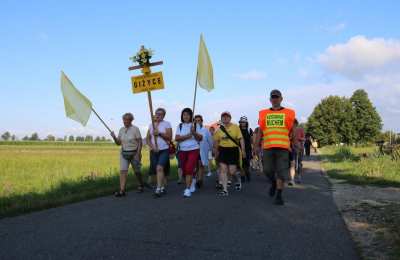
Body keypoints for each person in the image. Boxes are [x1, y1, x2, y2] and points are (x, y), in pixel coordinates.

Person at [255, 89, 295, 205]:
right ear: (270, 99)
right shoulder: (263, 113)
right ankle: (273, 182)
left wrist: (294, 143)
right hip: (268, 147)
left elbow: (292, 130)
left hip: (283, 148)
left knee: (281, 173)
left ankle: (279, 195)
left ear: (281, 99)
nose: (275, 99)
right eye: (273, 97)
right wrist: (256, 145)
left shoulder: (289, 112)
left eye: (277, 97)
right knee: (267, 170)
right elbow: (260, 131)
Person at [111, 113, 144, 196]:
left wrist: (138, 153)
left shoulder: (135, 129)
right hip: (124, 153)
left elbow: (140, 142)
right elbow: (118, 143)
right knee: (123, 171)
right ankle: (122, 190)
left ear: (131, 120)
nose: (125, 121)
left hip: (134, 153)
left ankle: (140, 184)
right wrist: (114, 137)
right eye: (124, 120)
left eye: (127, 120)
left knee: (137, 171)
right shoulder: (121, 129)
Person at [213, 111, 246, 196]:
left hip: (233, 150)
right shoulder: (218, 129)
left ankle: (237, 180)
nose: (225, 118)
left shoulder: (235, 127)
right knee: (223, 170)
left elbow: (241, 139)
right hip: (223, 150)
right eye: (223, 117)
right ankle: (225, 190)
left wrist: (243, 150)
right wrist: (216, 151)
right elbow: (216, 141)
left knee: (232, 171)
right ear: (221, 118)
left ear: (230, 118)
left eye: (227, 116)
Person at [175, 108, 203, 198]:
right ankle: (193, 180)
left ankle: (187, 189)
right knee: (183, 169)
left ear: (191, 115)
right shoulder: (180, 126)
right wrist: (187, 136)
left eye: (187, 114)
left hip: (194, 149)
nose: (185, 116)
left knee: (189, 168)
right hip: (182, 150)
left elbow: (200, 138)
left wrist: (194, 132)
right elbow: (177, 138)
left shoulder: (195, 125)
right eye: (184, 114)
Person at [146, 108, 173, 198]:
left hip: (164, 150)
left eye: (160, 114)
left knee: (159, 168)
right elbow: (148, 139)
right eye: (157, 113)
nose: (158, 115)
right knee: (157, 169)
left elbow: (169, 137)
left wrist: (160, 133)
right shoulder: (151, 125)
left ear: (164, 115)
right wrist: (153, 147)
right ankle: (162, 187)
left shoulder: (167, 124)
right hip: (154, 151)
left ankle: (158, 189)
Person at [194, 115, 213, 188]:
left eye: (199, 120)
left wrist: (211, 148)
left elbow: (210, 140)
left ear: (202, 121)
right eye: (196, 121)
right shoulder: (193, 130)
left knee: (200, 164)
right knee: (196, 166)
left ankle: (200, 180)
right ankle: (197, 178)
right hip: (194, 150)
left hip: (203, 149)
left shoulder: (205, 130)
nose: (197, 122)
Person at [288, 119, 305, 186]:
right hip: (292, 149)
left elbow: (304, 138)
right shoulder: (290, 130)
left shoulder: (301, 129)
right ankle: (292, 180)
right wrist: (290, 138)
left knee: (299, 163)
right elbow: (288, 138)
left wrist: (299, 138)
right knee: (292, 164)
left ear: (295, 123)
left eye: (291, 123)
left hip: (300, 149)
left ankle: (299, 176)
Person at [238, 116, 253, 182]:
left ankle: (248, 173)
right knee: (241, 164)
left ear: (246, 122)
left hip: (248, 149)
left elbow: (252, 139)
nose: (243, 123)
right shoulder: (238, 130)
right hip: (239, 148)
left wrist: (253, 147)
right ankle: (242, 176)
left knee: (247, 163)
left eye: (244, 122)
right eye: (241, 122)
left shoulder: (249, 130)